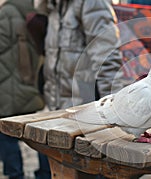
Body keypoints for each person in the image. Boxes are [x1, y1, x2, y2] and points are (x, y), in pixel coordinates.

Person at [36, 0, 124, 109]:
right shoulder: (55, 5)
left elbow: (107, 58)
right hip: (57, 109)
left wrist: (115, 108)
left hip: (83, 110)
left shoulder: (91, 3)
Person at [0, 0, 50, 178]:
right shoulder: (35, 12)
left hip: (8, 87)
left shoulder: (6, 13)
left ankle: (15, 174)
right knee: (37, 134)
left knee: (5, 134)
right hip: (30, 85)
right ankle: (44, 173)